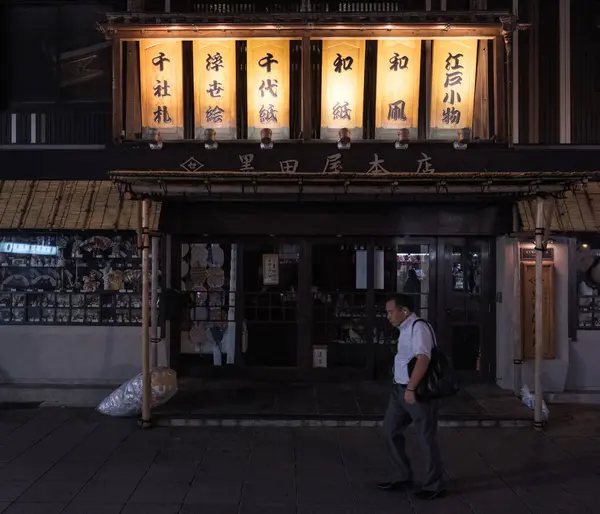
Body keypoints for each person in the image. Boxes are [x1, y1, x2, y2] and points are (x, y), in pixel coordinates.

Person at [377, 293, 445, 500]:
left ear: (403, 310)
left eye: (390, 312)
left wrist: (411, 388)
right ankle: (402, 476)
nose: (388, 316)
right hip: (399, 391)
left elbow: (423, 360)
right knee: (390, 430)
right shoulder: (404, 329)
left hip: (416, 393)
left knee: (426, 438)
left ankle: (434, 485)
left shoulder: (419, 328)